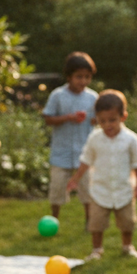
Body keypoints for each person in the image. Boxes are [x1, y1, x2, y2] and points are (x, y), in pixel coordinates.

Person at [67, 90, 137, 260]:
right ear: (96, 119)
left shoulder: (131, 139)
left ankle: (127, 246)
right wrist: (75, 179)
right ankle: (97, 250)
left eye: (112, 120)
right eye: (102, 121)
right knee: (96, 223)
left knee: (127, 222)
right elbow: (85, 160)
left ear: (123, 117)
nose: (108, 125)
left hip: (124, 189)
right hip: (99, 190)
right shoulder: (94, 138)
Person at [42, 52, 98, 228]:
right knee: (57, 189)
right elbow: (48, 119)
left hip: (85, 154)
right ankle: (54, 220)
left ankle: (90, 221)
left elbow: (99, 119)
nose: (83, 81)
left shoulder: (93, 98)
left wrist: (94, 120)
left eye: (87, 77)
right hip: (61, 153)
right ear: (69, 76)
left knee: (87, 190)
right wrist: (68, 118)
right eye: (79, 76)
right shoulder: (57, 95)